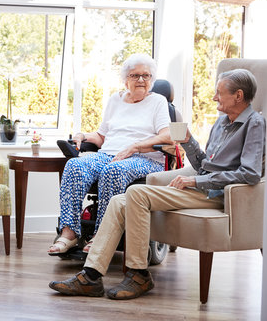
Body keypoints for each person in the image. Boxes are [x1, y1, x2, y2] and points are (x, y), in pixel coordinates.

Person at [49, 68, 265, 300]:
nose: (214, 97)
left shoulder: (255, 123)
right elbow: (205, 164)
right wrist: (189, 141)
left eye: (219, 93)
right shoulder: (222, 122)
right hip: (201, 186)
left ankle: (139, 274)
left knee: (136, 194)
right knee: (119, 201)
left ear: (239, 96)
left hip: (216, 194)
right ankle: (91, 276)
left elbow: (249, 174)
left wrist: (195, 180)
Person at [48, 54, 172, 255]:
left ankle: (102, 236)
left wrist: (135, 147)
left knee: (113, 171)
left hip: (144, 158)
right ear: (125, 79)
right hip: (109, 154)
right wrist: (82, 135)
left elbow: (167, 135)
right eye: (135, 75)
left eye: (146, 75)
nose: (141, 80)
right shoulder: (116, 99)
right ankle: (69, 232)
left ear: (152, 79)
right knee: (74, 165)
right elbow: (101, 136)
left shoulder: (158, 101)